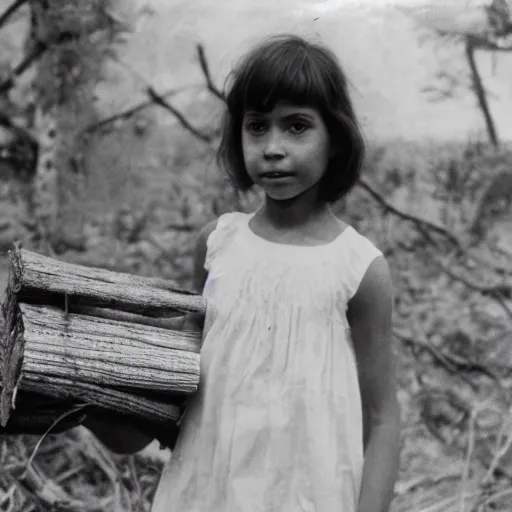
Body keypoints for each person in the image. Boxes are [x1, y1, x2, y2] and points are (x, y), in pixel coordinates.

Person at [87, 33, 401, 512]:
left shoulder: (359, 269)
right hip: (203, 495)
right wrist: (84, 394)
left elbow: (382, 420)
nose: (272, 147)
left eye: (296, 126)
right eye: (257, 127)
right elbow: (175, 397)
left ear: (335, 138)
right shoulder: (217, 246)